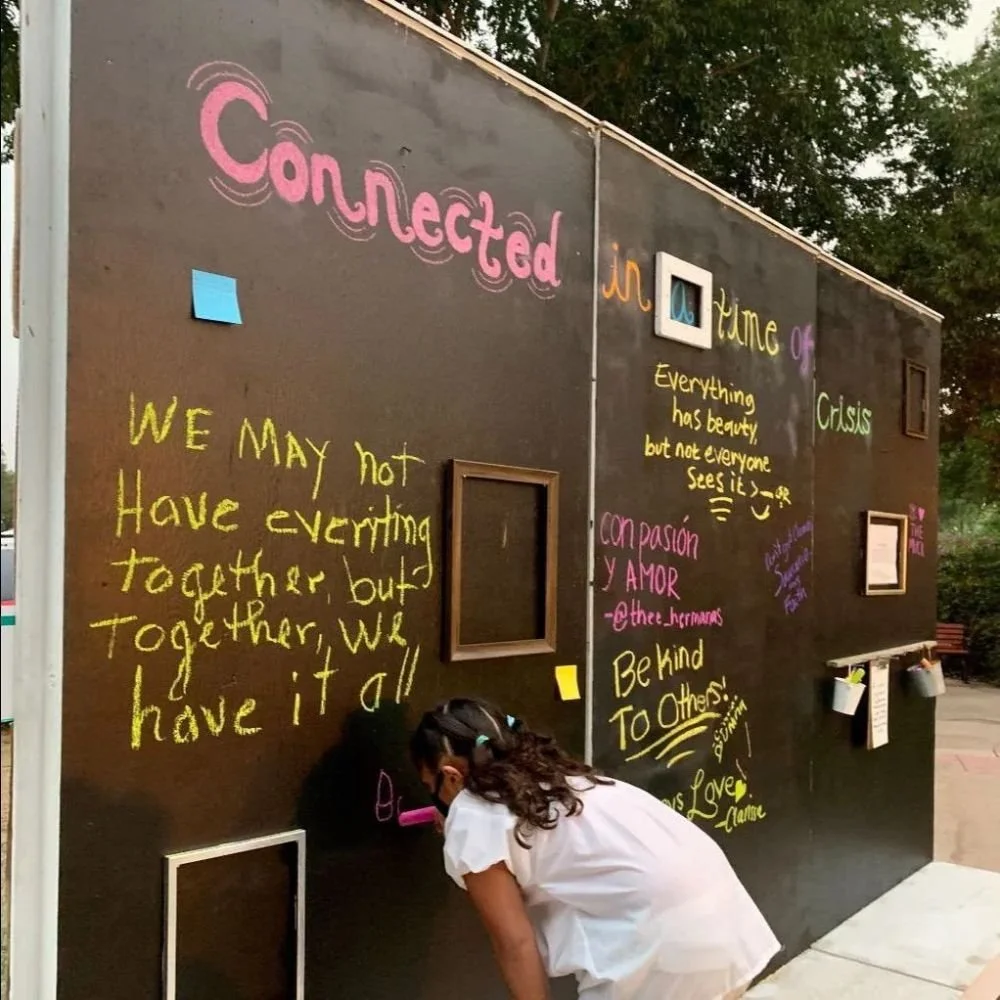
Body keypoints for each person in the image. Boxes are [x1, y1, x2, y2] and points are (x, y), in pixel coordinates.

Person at [410, 697, 780, 1000]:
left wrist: (461, 830)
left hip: (662, 953)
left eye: (431, 785)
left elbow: (515, 943)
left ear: (452, 776)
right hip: (727, 922)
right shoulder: (559, 775)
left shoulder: (474, 816)